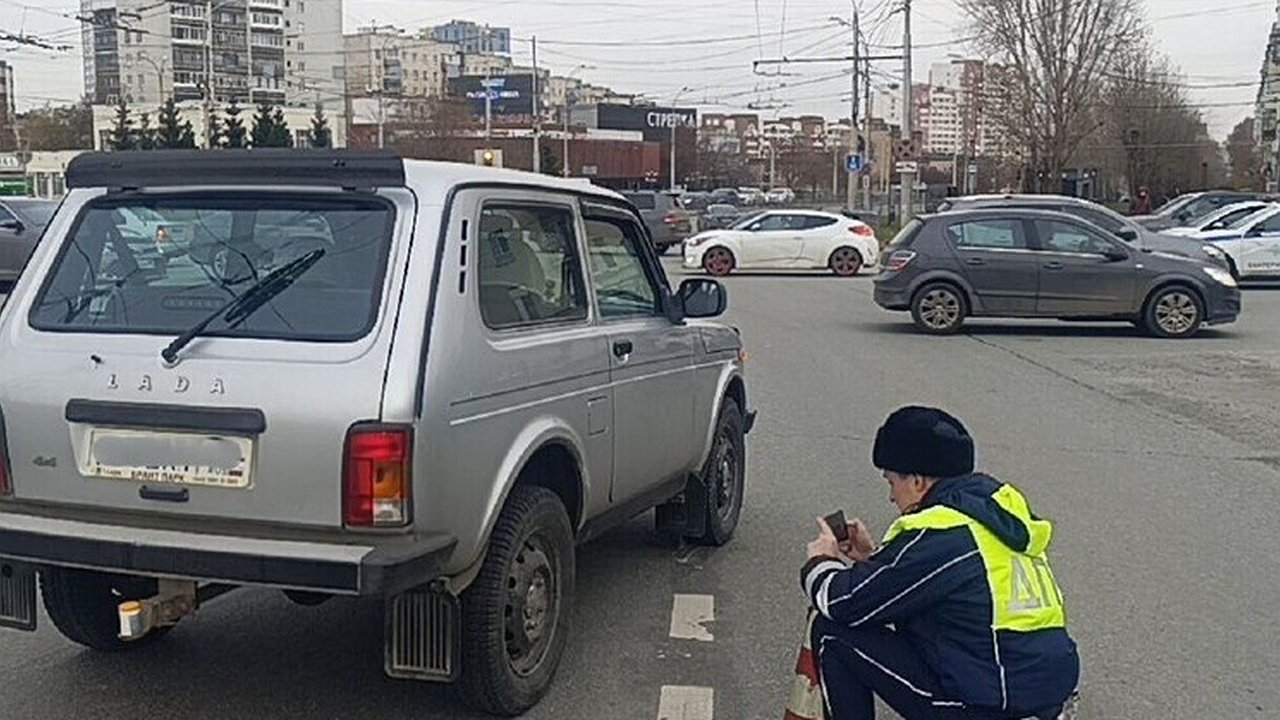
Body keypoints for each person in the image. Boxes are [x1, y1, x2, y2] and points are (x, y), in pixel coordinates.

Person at [801, 406, 1079, 720]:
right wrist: (871, 558)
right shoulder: (995, 518)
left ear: (917, 481)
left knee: (833, 630)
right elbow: (932, 586)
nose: (891, 496)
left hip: (990, 707)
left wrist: (821, 559)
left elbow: (842, 601)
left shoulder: (943, 533)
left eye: (891, 482)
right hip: (1044, 697)